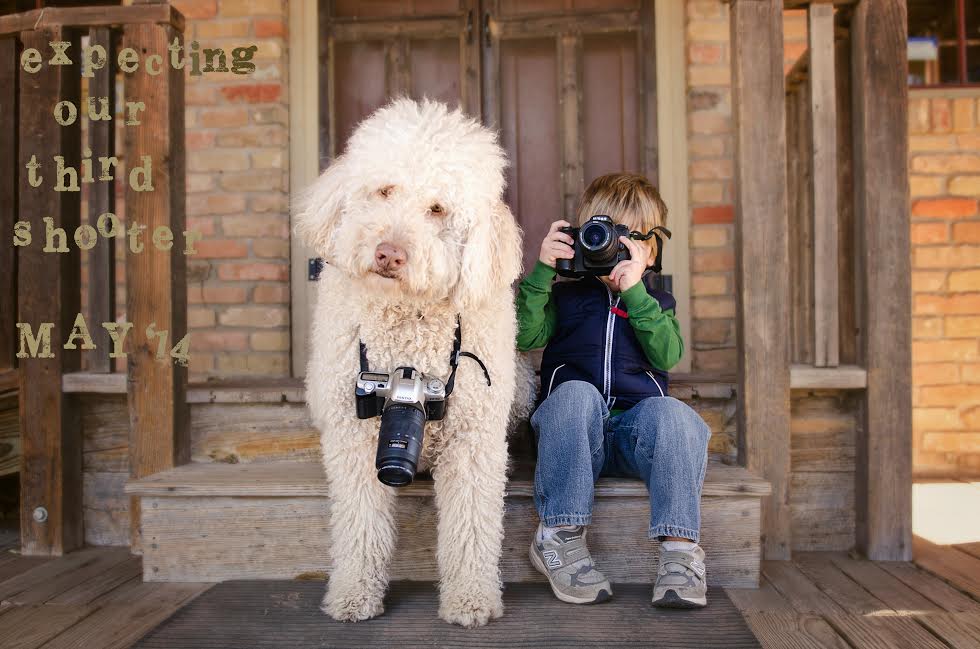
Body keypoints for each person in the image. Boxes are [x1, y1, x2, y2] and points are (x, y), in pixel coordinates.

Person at [517, 172, 711, 608]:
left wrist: (636, 293)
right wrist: (543, 272)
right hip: (571, 436)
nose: (612, 247)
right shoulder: (565, 296)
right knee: (575, 393)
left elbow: (666, 355)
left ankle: (680, 553)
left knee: (674, 413)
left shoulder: (657, 301)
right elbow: (525, 337)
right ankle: (558, 536)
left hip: (630, 440)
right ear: (583, 235)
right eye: (604, 233)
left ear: (650, 249)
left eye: (629, 239)